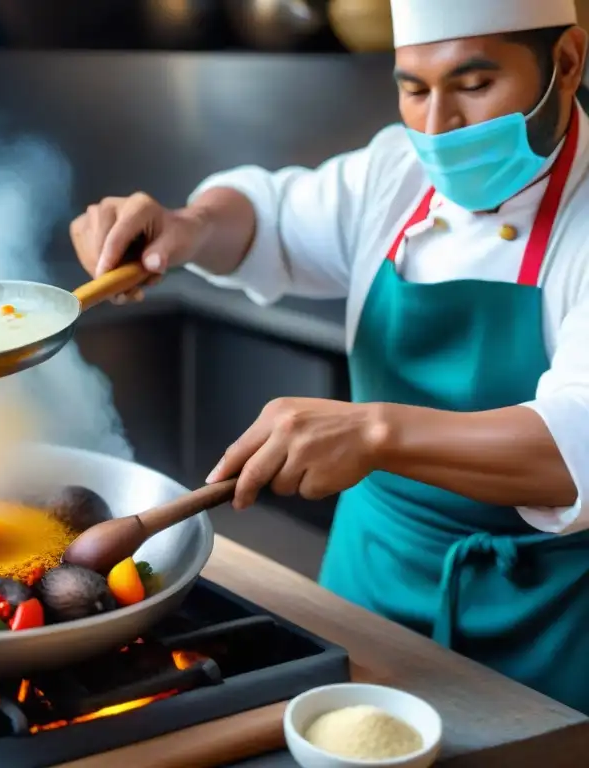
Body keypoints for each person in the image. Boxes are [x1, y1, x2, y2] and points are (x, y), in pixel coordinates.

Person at [69, 0, 589, 713]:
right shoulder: (396, 171)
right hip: (364, 588)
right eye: (413, 88)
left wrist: (373, 433)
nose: (437, 125)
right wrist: (185, 228)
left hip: (539, 624)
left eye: (473, 86)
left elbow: (576, 445)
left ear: (566, 63)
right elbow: (272, 218)